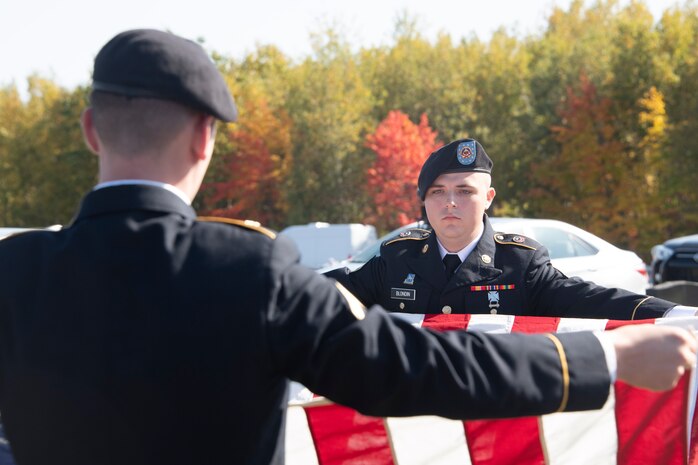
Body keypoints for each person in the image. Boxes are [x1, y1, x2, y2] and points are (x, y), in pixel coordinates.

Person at [0, 29, 693, 465]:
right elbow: (418, 367)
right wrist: (607, 356)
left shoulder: (11, 273)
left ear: (91, 129)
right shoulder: (252, 274)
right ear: (205, 137)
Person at [327, 138, 698, 319]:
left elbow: (589, 299)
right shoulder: (398, 258)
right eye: (438, 192)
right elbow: (331, 290)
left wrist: (674, 315)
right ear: (424, 200)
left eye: (464, 191)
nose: (450, 203)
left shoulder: (520, 264)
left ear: (488, 197)